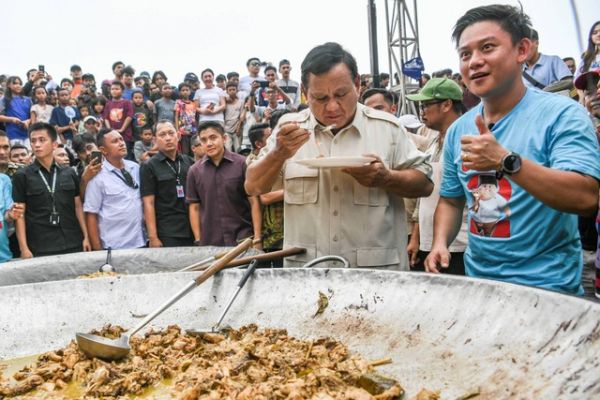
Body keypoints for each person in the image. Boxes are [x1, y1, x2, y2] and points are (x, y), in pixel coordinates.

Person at [424, 4, 600, 295]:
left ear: (522, 50)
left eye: (488, 47)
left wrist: (505, 161)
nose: (474, 62)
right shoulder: (459, 129)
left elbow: (585, 196)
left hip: (548, 289)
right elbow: (452, 200)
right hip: (480, 286)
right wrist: (440, 241)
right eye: (465, 54)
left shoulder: (562, 115)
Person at [245, 42, 433, 268]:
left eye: (341, 94)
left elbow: (425, 184)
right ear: (305, 94)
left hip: (375, 278)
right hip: (307, 275)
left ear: (357, 85)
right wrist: (278, 154)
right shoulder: (289, 128)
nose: (332, 107)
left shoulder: (387, 128)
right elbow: (253, 186)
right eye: (320, 98)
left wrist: (386, 178)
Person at [406, 78, 469, 275]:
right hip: (429, 244)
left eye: (425, 105)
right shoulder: (433, 142)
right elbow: (423, 195)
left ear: (447, 105)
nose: (421, 111)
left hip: (458, 246)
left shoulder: (466, 140)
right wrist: (416, 238)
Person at [12, 122, 90, 258]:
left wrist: (86, 236)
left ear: (54, 144)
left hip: (73, 241)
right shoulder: (22, 176)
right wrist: (23, 248)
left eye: (42, 140)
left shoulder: (69, 172)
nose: (36, 145)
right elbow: (20, 215)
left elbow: (78, 206)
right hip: (40, 246)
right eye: (33, 141)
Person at [186, 121, 262, 247]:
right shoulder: (194, 171)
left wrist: (258, 238)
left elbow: (254, 201)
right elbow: (194, 208)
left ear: (224, 138)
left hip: (242, 239)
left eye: (213, 137)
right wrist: (198, 240)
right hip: (210, 242)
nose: (209, 143)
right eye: (204, 140)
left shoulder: (242, 164)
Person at [84, 129, 145, 250]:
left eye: (121, 139)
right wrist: (98, 251)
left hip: (140, 242)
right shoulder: (98, 176)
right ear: (103, 150)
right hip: (114, 246)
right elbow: (91, 214)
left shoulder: (135, 168)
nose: (121, 143)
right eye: (115, 141)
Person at [140, 120, 194, 247]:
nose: (168, 138)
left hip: (192, 228)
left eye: (171, 133)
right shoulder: (149, 166)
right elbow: (148, 203)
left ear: (178, 136)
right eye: (162, 135)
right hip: (168, 231)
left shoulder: (189, 162)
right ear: (155, 140)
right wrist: (153, 237)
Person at [103, 81, 134, 159]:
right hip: (112, 136)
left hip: (125, 135)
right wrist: (110, 130)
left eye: (117, 89)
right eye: (112, 89)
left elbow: (129, 116)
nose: (114, 91)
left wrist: (122, 129)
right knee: (114, 156)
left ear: (122, 91)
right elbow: (106, 118)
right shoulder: (108, 104)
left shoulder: (127, 102)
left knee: (126, 156)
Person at [0, 76, 32, 146]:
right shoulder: (4, 100)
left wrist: (28, 121)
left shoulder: (28, 100)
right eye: (15, 83)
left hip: (28, 134)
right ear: (8, 85)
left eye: (20, 84)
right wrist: (12, 119)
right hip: (13, 134)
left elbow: (34, 116)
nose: (18, 86)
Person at [174, 83, 198, 156]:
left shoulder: (193, 104)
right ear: (180, 92)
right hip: (183, 131)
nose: (185, 92)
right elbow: (176, 117)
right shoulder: (178, 102)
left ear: (190, 91)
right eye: (183, 90)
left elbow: (195, 117)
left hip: (193, 131)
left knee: (194, 151)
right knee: (185, 152)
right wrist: (177, 130)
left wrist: (197, 130)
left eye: (187, 90)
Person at [224, 82, 245, 152]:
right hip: (226, 130)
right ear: (226, 91)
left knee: (238, 149)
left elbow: (241, 117)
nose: (232, 91)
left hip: (237, 129)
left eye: (234, 89)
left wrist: (239, 127)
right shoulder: (224, 102)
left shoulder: (241, 102)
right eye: (230, 90)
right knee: (227, 149)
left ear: (237, 90)